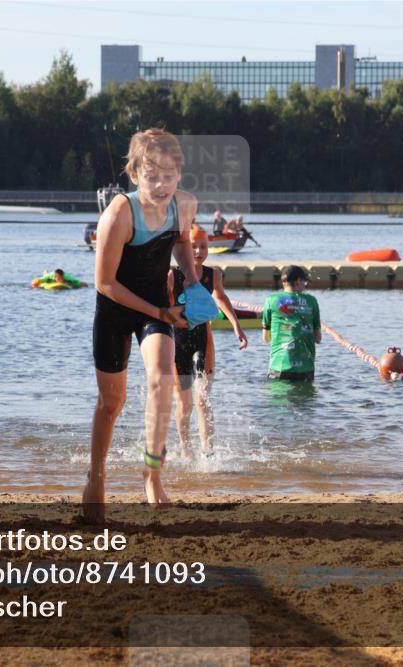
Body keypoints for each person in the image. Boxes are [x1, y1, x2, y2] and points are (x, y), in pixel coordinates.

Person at [83, 128, 202, 523]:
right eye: (152, 176)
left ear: (179, 175)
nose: (162, 184)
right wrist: (161, 313)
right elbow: (105, 283)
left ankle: (152, 475)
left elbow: (182, 242)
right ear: (134, 174)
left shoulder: (184, 205)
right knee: (112, 403)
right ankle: (95, 478)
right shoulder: (118, 213)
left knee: (161, 378)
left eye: (170, 175)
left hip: (156, 307)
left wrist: (192, 277)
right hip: (116, 308)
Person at [167, 226, 248, 458]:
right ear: (182, 248)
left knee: (202, 400)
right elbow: (162, 308)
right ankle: (186, 450)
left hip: (204, 343)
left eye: (203, 246)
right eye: (193, 246)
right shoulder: (173, 276)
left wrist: (236, 325)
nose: (198, 251)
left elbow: (220, 297)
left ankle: (208, 452)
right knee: (185, 403)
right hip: (178, 345)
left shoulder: (213, 275)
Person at [262, 265, 321, 382]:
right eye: (304, 282)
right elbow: (318, 338)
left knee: (278, 399)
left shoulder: (271, 300)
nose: (305, 285)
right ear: (298, 281)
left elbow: (266, 338)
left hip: (279, 366)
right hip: (306, 367)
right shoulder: (311, 301)